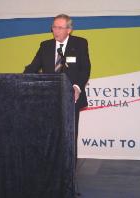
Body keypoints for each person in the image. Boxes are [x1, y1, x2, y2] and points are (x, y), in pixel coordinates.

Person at [24, 14, 91, 158]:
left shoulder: (80, 44)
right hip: (48, 98)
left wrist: (77, 87)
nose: (56, 31)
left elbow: (85, 69)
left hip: (71, 97)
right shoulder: (45, 45)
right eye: (54, 27)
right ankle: (50, 165)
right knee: (49, 134)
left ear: (69, 30)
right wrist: (20, 79)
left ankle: (69, 169)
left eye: (60, 27)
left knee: (69, 135)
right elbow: (33, 67)